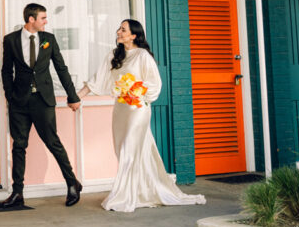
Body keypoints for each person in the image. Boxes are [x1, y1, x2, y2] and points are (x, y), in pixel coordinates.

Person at [82, 18, 206, 212]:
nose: (119, 32)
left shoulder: (142, 56)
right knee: (125, 150)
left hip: (138, 109)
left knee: (128, 150)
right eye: (119, 28)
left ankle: (124, 197)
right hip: (121, 109)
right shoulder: (114, 55)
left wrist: (135, 90)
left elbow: (154, 83)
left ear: (134, 35)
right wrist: (77, 97)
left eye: (123, 30)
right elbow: (97, 79)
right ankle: (141, 190)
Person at [0, 3, 83, 208]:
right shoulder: (10, 40)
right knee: (18, 146)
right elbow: (6, 70)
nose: (46, 21)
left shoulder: (49, 40)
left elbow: (61, 69)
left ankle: (72, 183)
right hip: (19, 102)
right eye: (43, 18)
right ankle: (17, 192)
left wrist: (73, 96)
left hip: (43, 101)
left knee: (53, 142)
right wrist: (10, 96)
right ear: (31, 19)